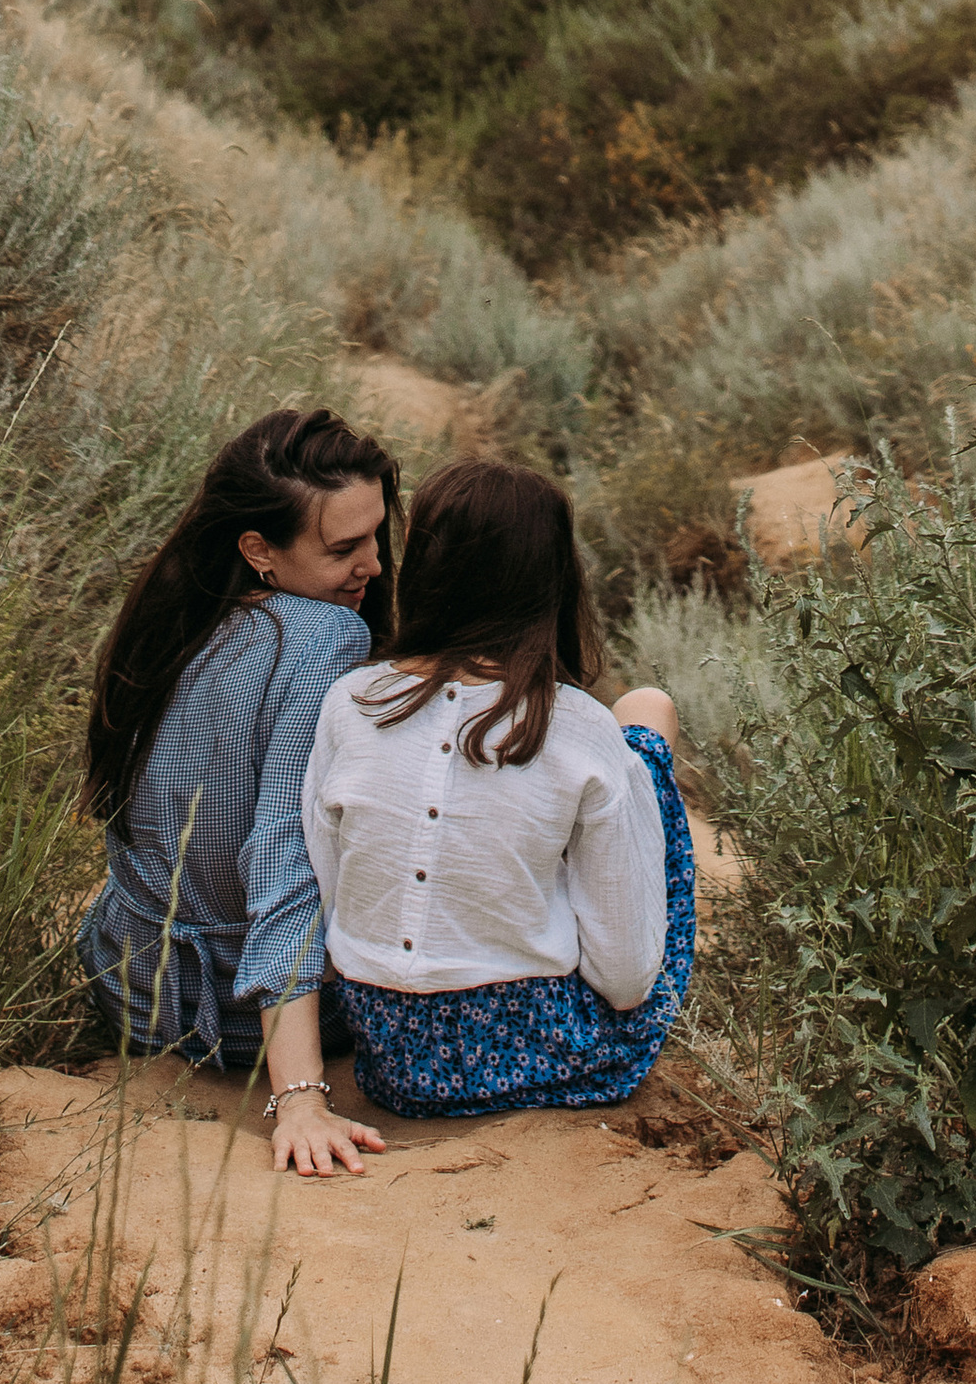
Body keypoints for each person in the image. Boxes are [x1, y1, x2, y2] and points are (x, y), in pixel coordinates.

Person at [299, 454, 693, 1120]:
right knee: (648, 718)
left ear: (422, 569)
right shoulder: (579, 727)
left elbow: (334, 889)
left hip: (390, 1055)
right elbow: (626, 983)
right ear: (553, 580)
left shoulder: (350, 702)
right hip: (542, 1049)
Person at [77, 404, 398, 1177]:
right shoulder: (327, 637)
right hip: (242, 1024)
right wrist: (303, 1098)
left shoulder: (175, 617)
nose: (376, 565)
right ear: (259, 548)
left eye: (379, 535)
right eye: (345, 548)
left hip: (133, 990)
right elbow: (281, 860)